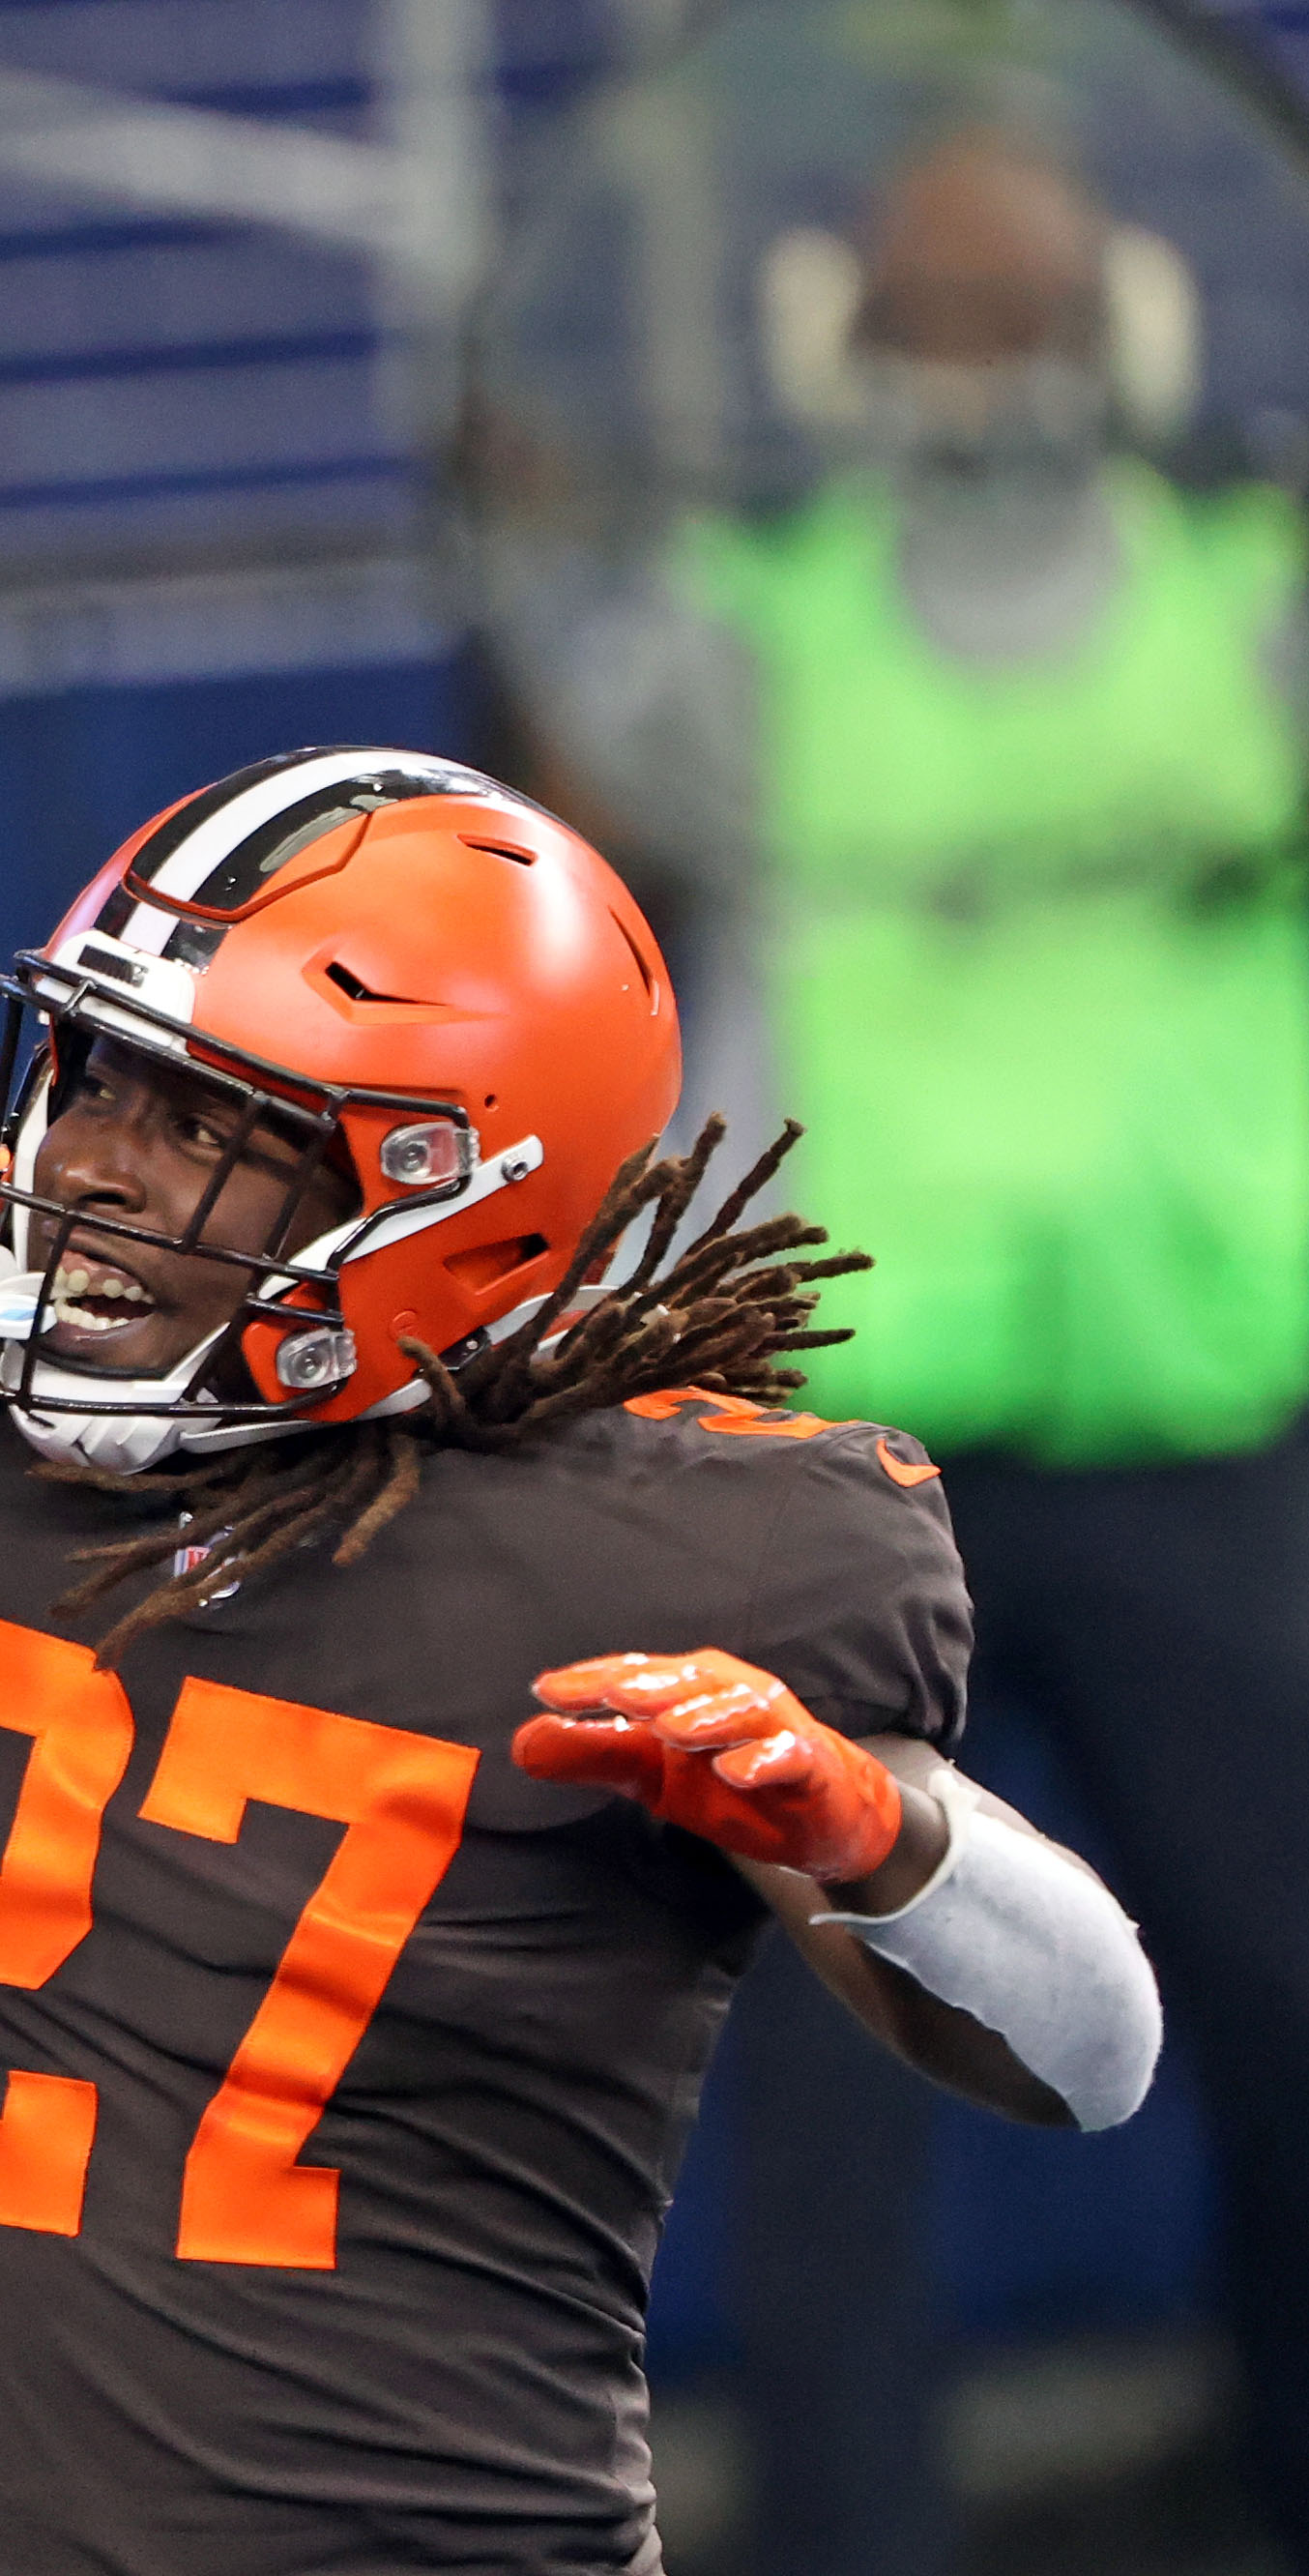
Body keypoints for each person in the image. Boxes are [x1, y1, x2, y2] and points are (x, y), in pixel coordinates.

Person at [0, 708, 1165, 2570]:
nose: (94, 1162)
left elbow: (1091, 2052)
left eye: (210, 1126)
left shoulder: (688, 1548)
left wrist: (879, 1837)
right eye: (96, 1075)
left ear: (452, 1194)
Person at [485, 111, 1309, 2566]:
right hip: (857, 1446)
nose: (995, 366)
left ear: (1129, 330)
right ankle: (854, 2538)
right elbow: (565, 857)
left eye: (1032, 312)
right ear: (846, 353)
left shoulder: (1260, 606)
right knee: (836, 2073)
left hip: (1207, 1412)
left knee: (1290, 1998)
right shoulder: (748, 630)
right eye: (943, 319)